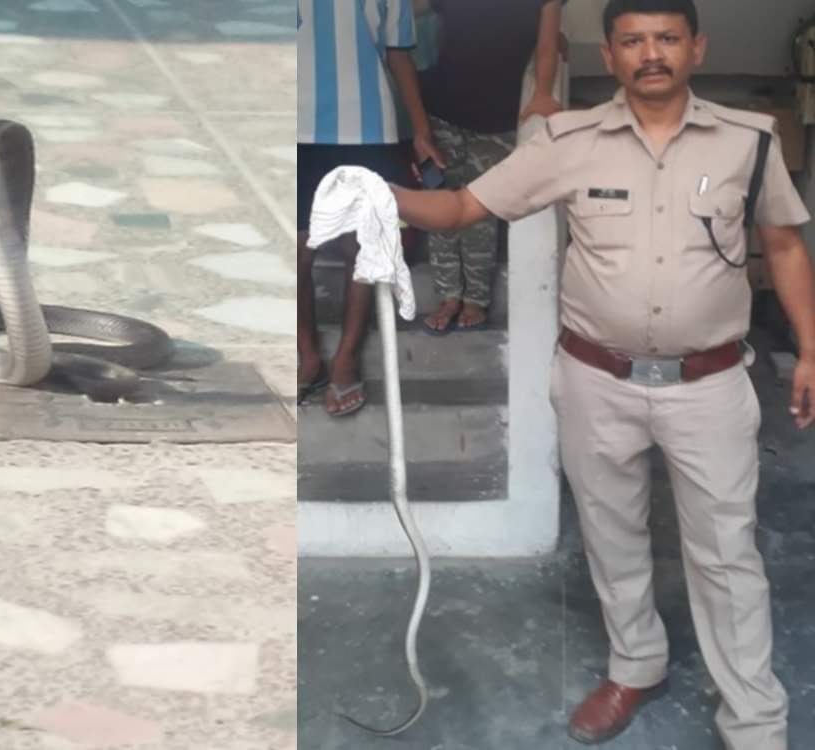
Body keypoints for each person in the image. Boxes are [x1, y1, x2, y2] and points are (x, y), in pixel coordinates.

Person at [389, 0, 815, 747]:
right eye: (633, 41)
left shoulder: (749, 142)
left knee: (727, 553)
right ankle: (636, 664)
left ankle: (754, 718)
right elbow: (461, 207)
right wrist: (372, 193)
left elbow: (781, 247)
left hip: (710, 386)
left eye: (667, 38)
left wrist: (810, 350)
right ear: (611, 56)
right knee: (611, 537)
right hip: (596, 382)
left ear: (697, 48)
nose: (652, 53)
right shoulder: (568, 141)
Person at [297, 0, 443, 417]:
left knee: (359, 250)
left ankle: (346, 356)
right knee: (294, 254)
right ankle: (307, 354)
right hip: (291, 125)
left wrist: (420, 130)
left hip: (368, 126)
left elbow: (399, 54)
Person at [415, 0, 565, 334]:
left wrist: (542, 92)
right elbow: (409, 13)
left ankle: (475, 300)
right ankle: (448, 295)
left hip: (498, 117)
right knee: (440, 199)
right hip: (442, 111)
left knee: (481, 212)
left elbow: (547, 45)